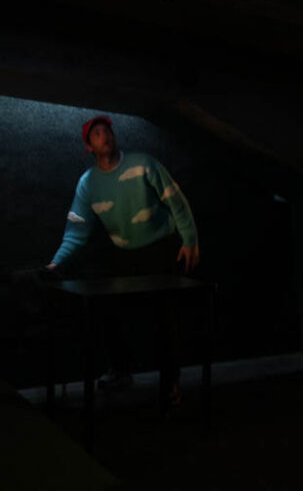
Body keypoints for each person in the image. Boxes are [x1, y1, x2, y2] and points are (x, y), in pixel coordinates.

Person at [45, 115, 199, 408]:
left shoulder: (143, 163)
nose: (104, 135)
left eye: (107, 131)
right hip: (124, 254)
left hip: (159, 249)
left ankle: (171, 384)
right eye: (97, 134)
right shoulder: (88, 183)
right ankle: (120, 372)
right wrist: (56, 264)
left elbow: (175, 199)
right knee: (109, 311)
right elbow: (76, 230)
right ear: (89, 147)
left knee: (165, 318)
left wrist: (190, 239)